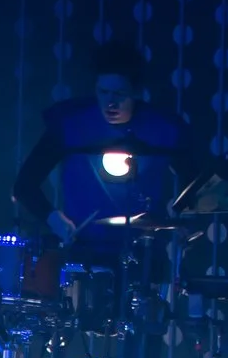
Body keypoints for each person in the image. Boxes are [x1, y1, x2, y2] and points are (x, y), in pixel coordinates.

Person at [10, 39, 197, 249]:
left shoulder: (164, 129)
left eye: (119, 94)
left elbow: (193, 183)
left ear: (135, 92)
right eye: (103, 92)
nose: (110, 103)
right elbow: (24, 185)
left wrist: (183, 217)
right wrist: (54, 219)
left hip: (146, 250)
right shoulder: (72, 125)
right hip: (81, 248)